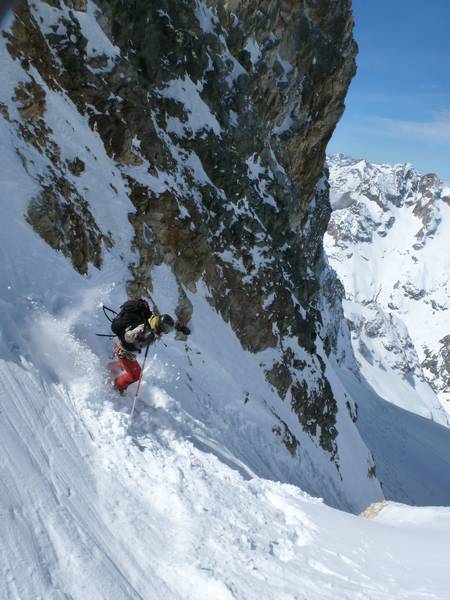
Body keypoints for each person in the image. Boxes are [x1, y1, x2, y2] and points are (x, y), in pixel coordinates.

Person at [110, 300, 190, 393]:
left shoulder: (153, 319)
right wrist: (139, 337)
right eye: (165, 331)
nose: (166, 333)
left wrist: (180, 328)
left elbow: (169, 323)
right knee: (136, 375)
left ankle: (109, 367)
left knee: (125, 366)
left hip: (126, 350)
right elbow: (128, 337)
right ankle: (118, 387)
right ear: (159, 328)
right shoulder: (144, 330)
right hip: (124, 351)